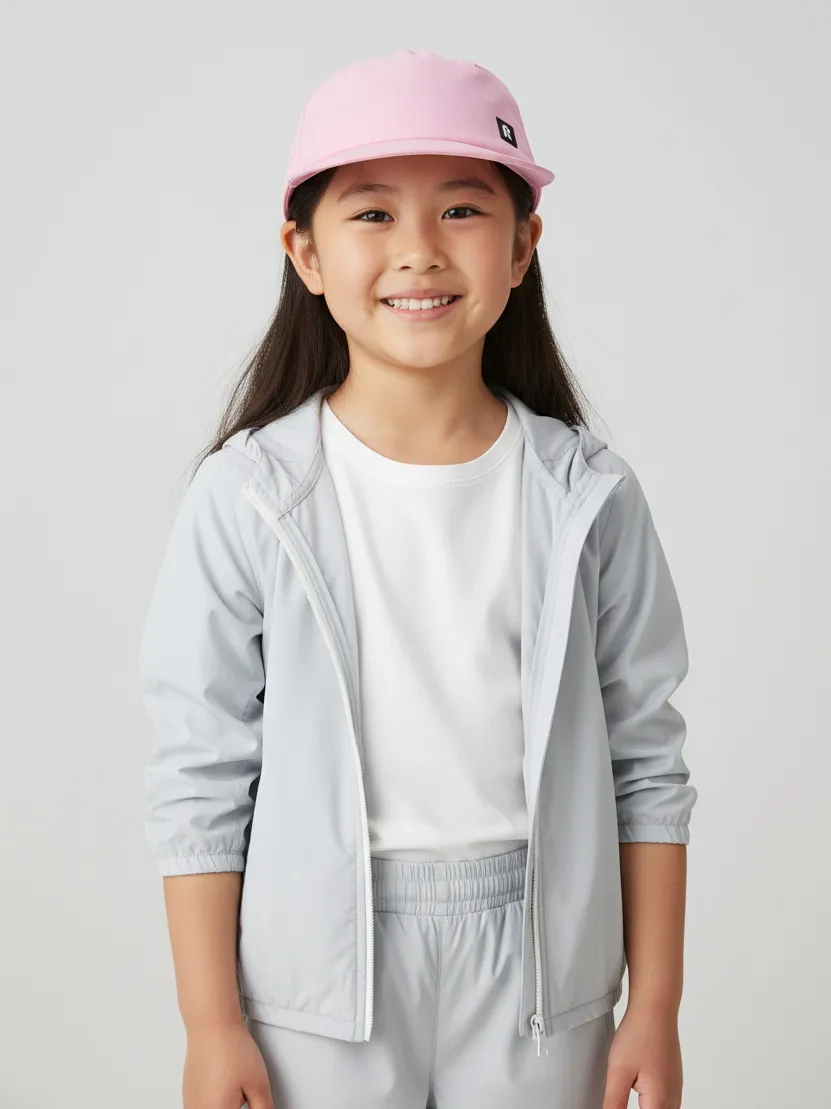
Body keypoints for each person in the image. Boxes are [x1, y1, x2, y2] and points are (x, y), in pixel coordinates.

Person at [138, 49, 697, 1109]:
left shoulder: (588, 495)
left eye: (461, 209)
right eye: (372, 213)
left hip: (543, 971)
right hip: (316, 974)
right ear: (305, 252)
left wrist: (655, 1004)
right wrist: (211, 1023)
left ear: (522, 246)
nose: (419, 250)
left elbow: (645, 763)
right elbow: (202, 772)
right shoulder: (249, 495)